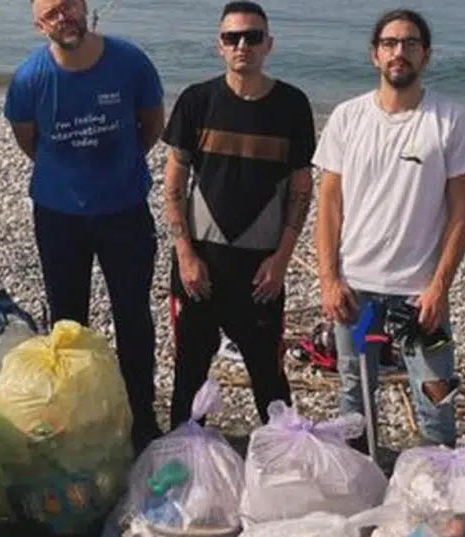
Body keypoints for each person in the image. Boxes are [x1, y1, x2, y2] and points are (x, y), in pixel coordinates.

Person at [312, 8, 465, 452]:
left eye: (409, 44)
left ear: (425, 55)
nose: (399, 52)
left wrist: (439, 286)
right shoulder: (348, 118)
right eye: (389, 44)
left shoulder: (451, 120)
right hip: (356, 292)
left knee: (436, 396)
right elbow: (328, 205)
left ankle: (437, 486)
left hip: (419, 294)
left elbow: (461, 212)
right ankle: (360, 486)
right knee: (354, 398)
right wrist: (329, 280)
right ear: (375, 55)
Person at [4, 0, 166, 453]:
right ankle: (74, 414)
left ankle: (141, 416)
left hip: (124, 211)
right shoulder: (29, 77)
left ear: (86, 8)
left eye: (70, 5)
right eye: (52, 12)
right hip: (58, 217)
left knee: (132, 316)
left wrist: (117, 169)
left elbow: (151, 126)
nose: (64, 17)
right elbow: (28, 140)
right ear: (39, 24)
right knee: (67, 320)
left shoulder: (130, 61)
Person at [161, 1, 316, 428]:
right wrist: (185, 255)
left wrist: (282, 260)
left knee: (268, 375)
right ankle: (183, 463)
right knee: (189, 373)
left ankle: (280, 460)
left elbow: (301, 188)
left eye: (252, 37)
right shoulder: (197, 101)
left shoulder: (291, 105)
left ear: (269, 44)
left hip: (260, 269)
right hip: (200, 266)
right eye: (232, 38)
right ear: (220, 46)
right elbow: (173, 183)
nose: (242, 45)